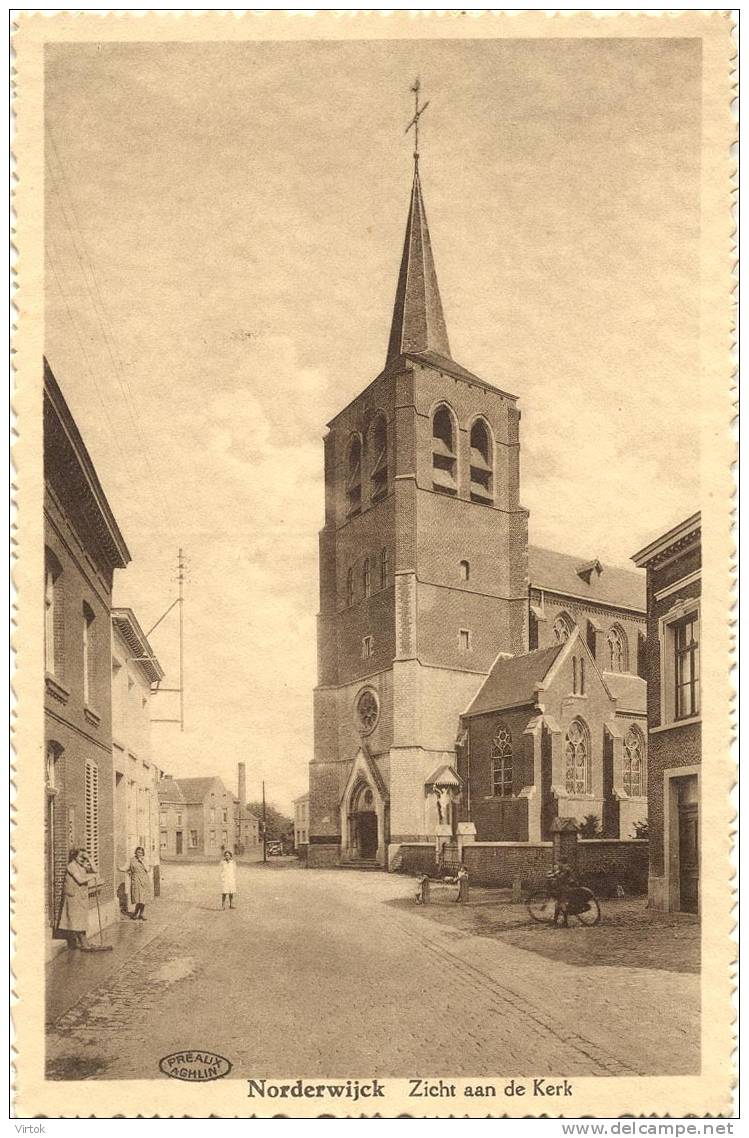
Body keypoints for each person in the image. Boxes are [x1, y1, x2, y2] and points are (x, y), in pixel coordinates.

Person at [57, 848, 100, 951]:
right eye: (81, 857)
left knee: (81, 920)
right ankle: (84, 944)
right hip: (74, 897)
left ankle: (85, 943)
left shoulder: (81, 865)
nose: (82, 859)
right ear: (74, 857)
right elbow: (80, 880)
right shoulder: (71, 866)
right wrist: (92, 877)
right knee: (78, 921)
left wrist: (89, 858)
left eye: (83, 857)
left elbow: (95, 870)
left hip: (81, 896)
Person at [126, 846, 151, 921]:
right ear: (135, 852)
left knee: (143, 898)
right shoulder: (132, 860)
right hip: (136, 880)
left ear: (143, 853)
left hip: (144, 880)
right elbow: (128, 868)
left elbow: (148, 869)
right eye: (138, 852)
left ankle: (141, 914)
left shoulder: (145, 860)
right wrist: (121, 869)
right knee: (137, 898)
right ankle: (136, 913)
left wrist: (142, 861)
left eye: (141, 852)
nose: (139, 854)